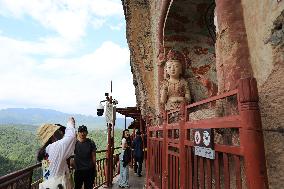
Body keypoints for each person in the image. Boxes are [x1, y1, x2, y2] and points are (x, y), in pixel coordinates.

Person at [37, 117, 76, 189]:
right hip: (57, 185)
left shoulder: (46, 150)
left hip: (48, 184)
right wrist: (70, 122)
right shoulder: (55, 147)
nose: (61, 134)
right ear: (53, 135)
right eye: (58, 132)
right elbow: (71, 137)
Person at [73, 125, 97, 189]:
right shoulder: (74, 144)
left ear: (87, 132)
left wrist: (94, 169)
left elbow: (94, 156)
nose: (82, 133)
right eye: (81, 132)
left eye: (84, 132)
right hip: (78, 171)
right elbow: (70, 156)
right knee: (77, 187)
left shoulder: (91, 143)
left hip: (89, 170)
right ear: (78, 133)